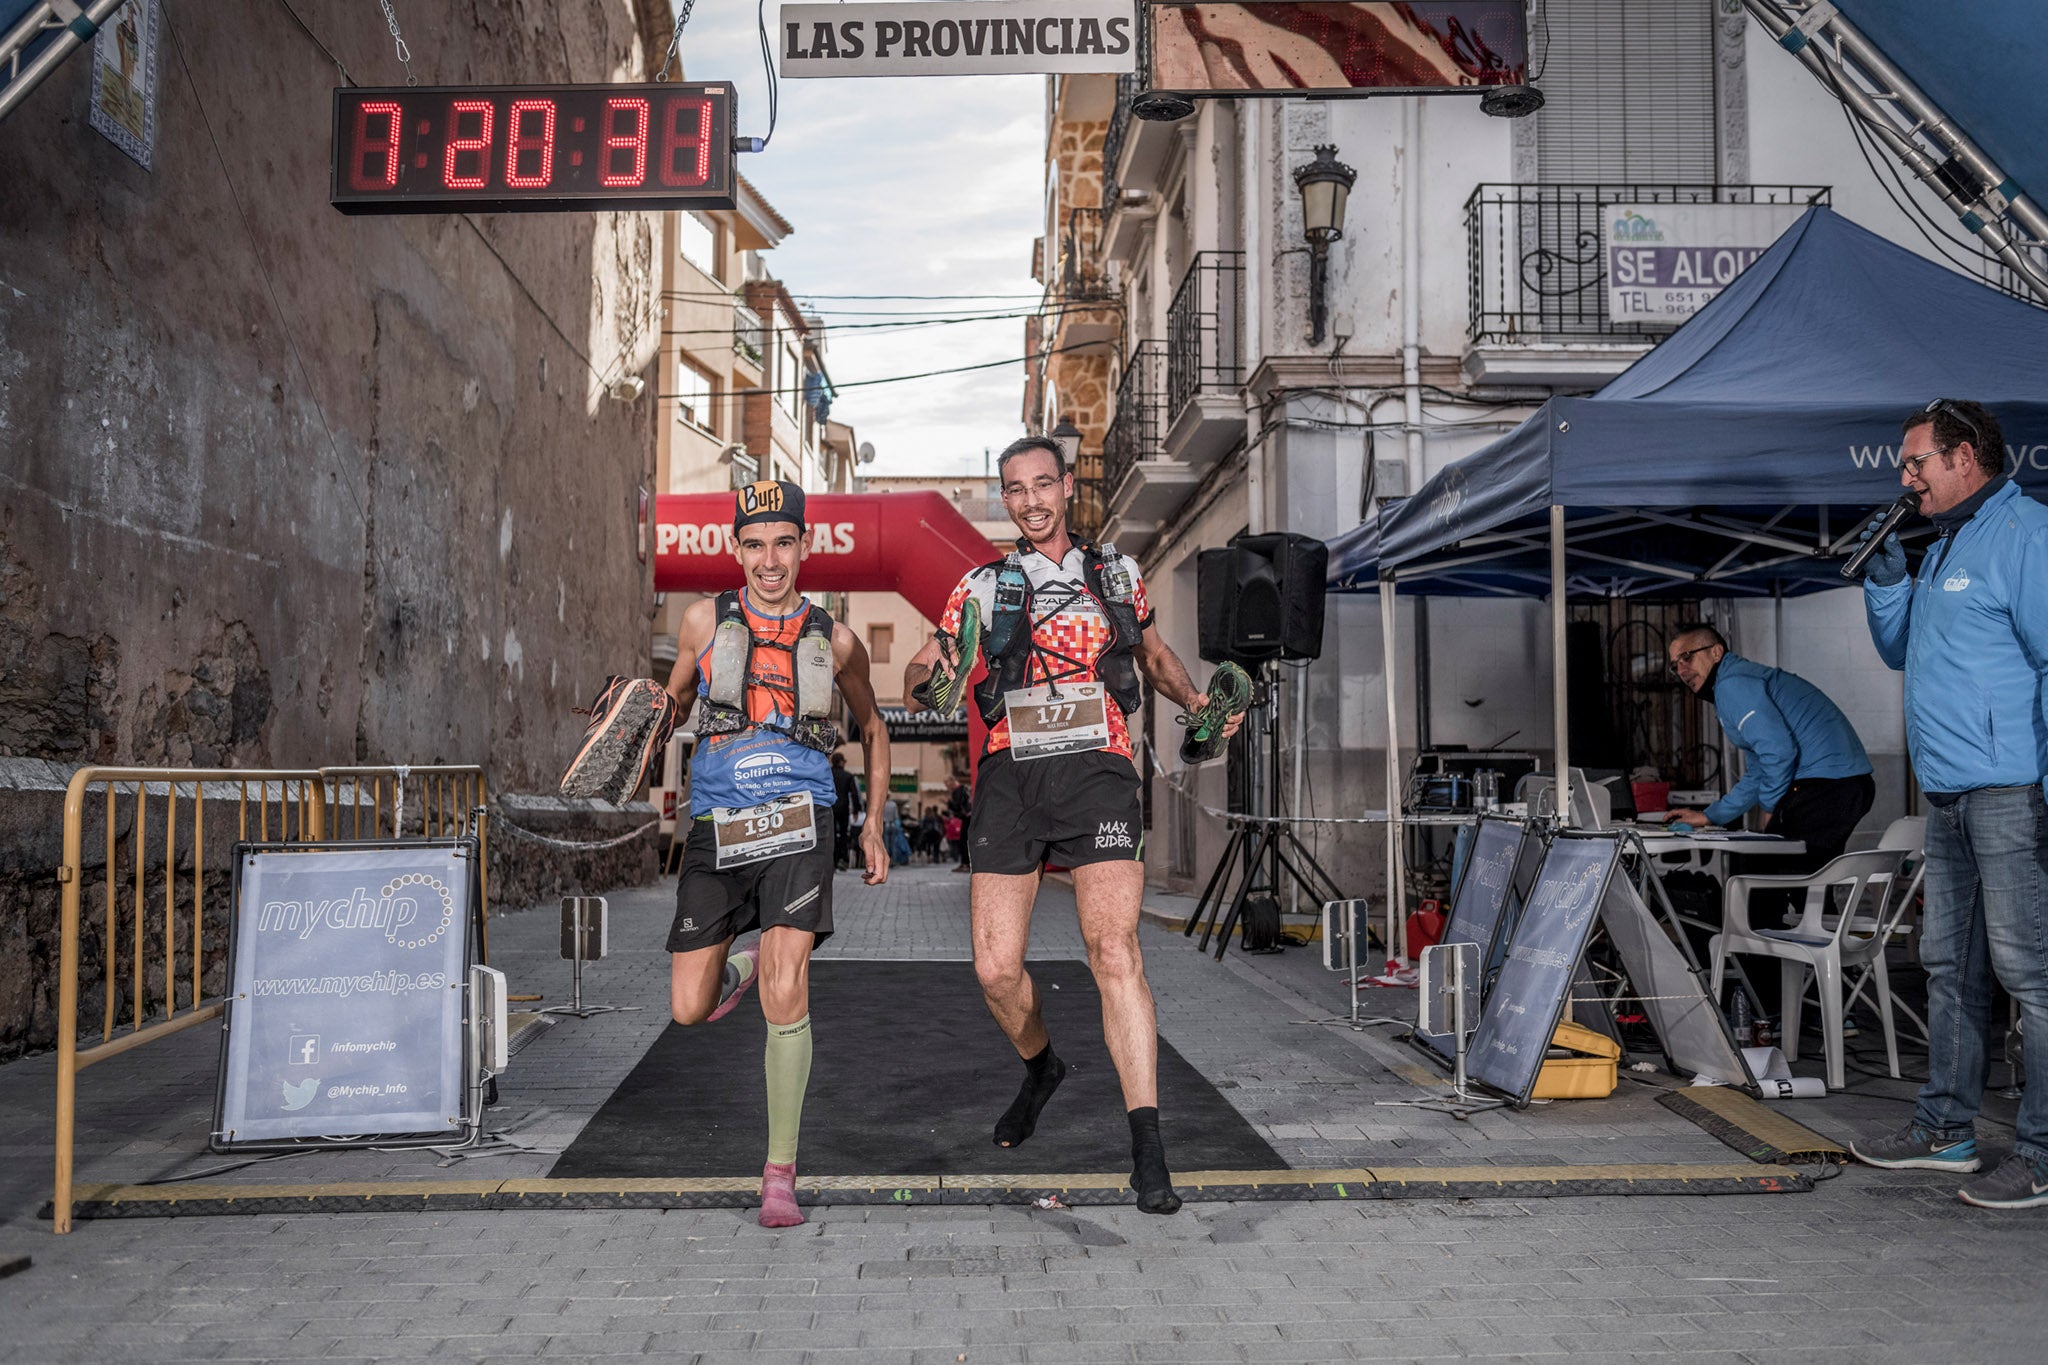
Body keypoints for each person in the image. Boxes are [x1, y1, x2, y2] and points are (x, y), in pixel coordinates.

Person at [903, 434, 1244, 1215]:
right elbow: (925, 663)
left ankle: (1149, 1150)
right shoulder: (980, 585)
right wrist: (935, 680)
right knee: (995, 968)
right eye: (1015, 490)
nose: (1030, 501)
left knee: (1113, 947)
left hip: (1098, 763)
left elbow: (1154, 657)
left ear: (1065, 487)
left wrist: (1198, 706)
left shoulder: (1116, 572)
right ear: (1005, 498)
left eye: (1042, 485)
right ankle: (1042, 1065)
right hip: (1012, 772)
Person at [662, 479, 891, 1228]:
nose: (770, 559)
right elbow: (668, 710)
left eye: (784, 542)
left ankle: (779, 1174)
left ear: (803, 545)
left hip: (800, 821)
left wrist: (874, 824)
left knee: (787, 988)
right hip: (719, 826)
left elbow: (875, 725)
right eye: (755, 544)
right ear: (737, 549)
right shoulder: (703, 620)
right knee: (688, 1006)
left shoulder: (838, 637)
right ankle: (739, 961)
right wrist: (633, 734)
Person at [1848, 398, 2048, 1211]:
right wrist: (1889, 582)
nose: (1907, 476)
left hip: (2011, 791)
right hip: (1951, 793)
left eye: (1917, 462)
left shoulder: (2025, 534)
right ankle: (1946, 1129)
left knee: (2029, 972)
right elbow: (1903, 651)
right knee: (1948, 966)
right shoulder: (1947, 544)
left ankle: (2040, 1150)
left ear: (1966, 458)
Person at [1665, 623, 1875, 863]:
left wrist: (1769, 807)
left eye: (1687, 657)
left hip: (1827, 784)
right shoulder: (1735, 683)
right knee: (1805, 881)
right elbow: (1759, 771)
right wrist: (1712, 815)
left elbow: (1779, 753)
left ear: (1716, 652)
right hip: (1843, 784)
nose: (1681, 670)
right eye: (1674, 666)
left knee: (1760, 868)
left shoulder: (1731, 685)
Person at [829, 752, 863, 871]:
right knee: (843, 834)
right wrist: (856, 810)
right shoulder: (848, 776)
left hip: (830, 806)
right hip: (843, 807)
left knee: (831, 834)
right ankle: (842, 859)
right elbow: (854, 794)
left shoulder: (828, 773)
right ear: (841, 762)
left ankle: (831, 859)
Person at [946, 774, 973, 873]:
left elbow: (957, 807)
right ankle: (965, 863)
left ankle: (965, 864)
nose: (946, 787)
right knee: (965, 841)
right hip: (969, 816)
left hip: (967, 817)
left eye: (946, 784)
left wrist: (948, 802)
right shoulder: (963, 789)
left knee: (963, 841)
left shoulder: (957, 791)